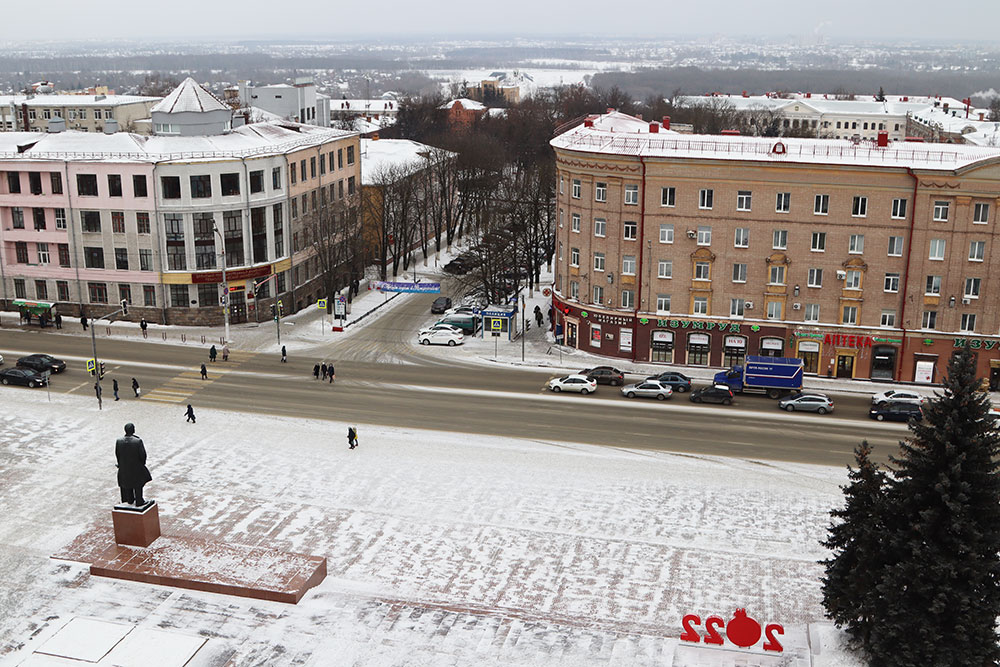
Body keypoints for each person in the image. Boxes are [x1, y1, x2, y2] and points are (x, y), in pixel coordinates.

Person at [115, 423, 152, 506]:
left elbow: (118, 454)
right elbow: (143, 455)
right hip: (136, 467)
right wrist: (141, 464)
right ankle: (139, 500)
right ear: (133, 430)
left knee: (127, 483)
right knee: (138, 484)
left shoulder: (119, 441)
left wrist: (121, 464)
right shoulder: (137, 441)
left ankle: (130, 499)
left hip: (124, 468)